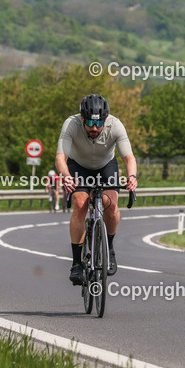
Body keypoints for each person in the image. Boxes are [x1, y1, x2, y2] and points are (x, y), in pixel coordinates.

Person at [55, 93, 138, 284]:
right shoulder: (71, 124)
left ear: (105, 120)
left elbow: (129, 158)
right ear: (82, 118)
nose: (94, 128)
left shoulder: (116, 125)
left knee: (111, 206)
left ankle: (108, 248)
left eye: (99, 124)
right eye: (90, 124)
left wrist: (132, 177)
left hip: (106, 166)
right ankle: (77, 263)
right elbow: (61, 158)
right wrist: (66, 177)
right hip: (79, 167)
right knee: (80, 204)